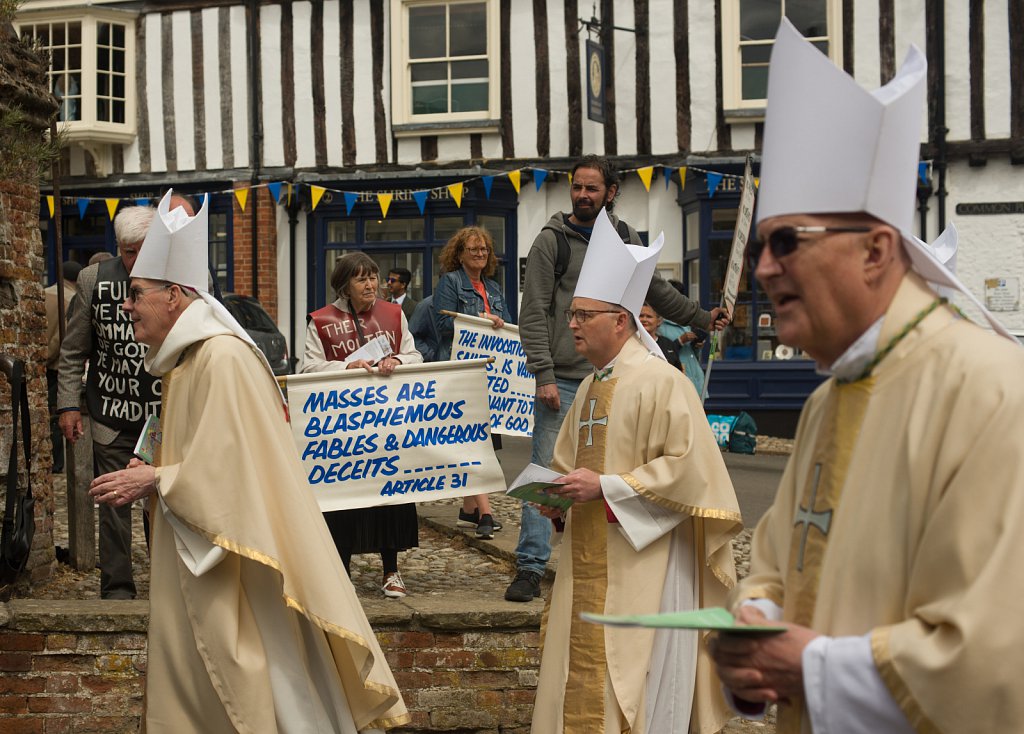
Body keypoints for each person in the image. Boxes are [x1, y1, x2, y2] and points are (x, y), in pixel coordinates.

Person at [709, 20, 1024, 733]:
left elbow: (998, 653)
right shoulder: (827, 401)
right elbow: (775, 565)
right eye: (760, 246)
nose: (762, 269)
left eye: (786, 242)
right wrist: (755, 625)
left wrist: (810, 667)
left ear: (878, 251)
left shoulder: (992, 388)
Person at [88, 190, 409, 732]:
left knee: (265, 689)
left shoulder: (223, 357)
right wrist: (158, 473)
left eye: (136, 294)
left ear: (174, 296)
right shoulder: (188, 360)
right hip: (199, 547)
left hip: (243, 567)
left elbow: (239, 473)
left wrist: (157, 477)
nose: (126, 306)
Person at [531, 209, 742, 733]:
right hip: (588, 557)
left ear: (620, 320)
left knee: (639, 684)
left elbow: (691, 474)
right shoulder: (590, 387)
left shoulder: (664, 382)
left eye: (583, 314)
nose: (571, 323)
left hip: (648, 564)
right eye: (571, 314)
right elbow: (567, 468)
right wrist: (554, 502)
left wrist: (605, 487)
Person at [508, 153, 732, 602]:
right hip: (565, 378)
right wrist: (543, 373)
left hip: (614, 374)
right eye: (577, 187)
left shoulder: (627, 237)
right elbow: (533, 309)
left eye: (592, 188)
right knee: (553, 473)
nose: (583, 195)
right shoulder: (552, 241)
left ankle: (615, 560)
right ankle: (531, 565)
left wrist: (704, 318)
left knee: (610, 471)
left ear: (610, 193)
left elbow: (658, 293)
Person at [302, 252, 423, 598]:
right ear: (344, 285)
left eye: (373, 276)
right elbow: (310, 369)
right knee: (342, 498)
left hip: (386, 422)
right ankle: (340, 572)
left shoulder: (394, 314)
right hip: (341, 427)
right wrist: (345, 369)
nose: (370, 284)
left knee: (391, 496)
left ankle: (391, 570)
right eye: (361, 279)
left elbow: (415, 356)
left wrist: (396, 359)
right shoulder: (321, 321)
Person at [56, 206, 160, 599]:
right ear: (117, 247)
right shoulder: (93, 279)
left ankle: (167, 583)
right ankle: (117, 588)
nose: (135, 260)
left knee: (161, 502)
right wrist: (68, 403)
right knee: (113, 501)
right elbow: (73, 349)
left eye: (142, 250)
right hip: (111, 413)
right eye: (127, 251)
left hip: (160, 415)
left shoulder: (177, 278)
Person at [433, 226, 510, 540]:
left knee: (480, 440)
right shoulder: (450, 283)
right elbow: (441, 323)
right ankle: (487, 512)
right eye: (474, 250)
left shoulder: (493, 287)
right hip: (461, 373)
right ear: (459, 254)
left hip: (489, 374)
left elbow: (502, 328)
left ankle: (469, 509)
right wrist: (480, 320)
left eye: (485, 250)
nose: (480, 254)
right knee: (474, 441)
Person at [45, 260, 82, 473]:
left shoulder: (44, 293)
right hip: (57, 365)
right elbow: (64, 337)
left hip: (44, 363)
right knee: (56, 414)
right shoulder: (70, 300)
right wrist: (48, 357)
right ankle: (56, 462)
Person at [659, 279, 707, 395]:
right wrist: (680, 341)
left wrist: (697, 346)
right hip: (678, 382)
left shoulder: (687, 321)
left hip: (696, 378)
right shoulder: (660, 324)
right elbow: (661, 354)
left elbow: (693, 355)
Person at [638, 302, 682, 371]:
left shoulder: (669, 345)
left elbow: (679, 372)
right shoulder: (630, 342)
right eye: (641, 316)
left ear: (659, 321)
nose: (644, 319)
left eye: (649, 316)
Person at [408, 294, 441, 362]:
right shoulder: (426, 305)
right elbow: (412, 338)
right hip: (434, 367)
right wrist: (431, 355)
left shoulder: (465, 304)